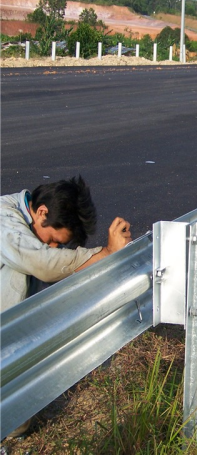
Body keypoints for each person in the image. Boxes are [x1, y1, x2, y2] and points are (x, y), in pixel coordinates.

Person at [0, 176, 132, 438]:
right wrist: (105, 254)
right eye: (52, 239)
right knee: (27, 268)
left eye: (58, 244)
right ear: (41, 212)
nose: (52, 247)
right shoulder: (4, 218)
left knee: (16, 422)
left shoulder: (29, 220)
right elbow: (43, 264)